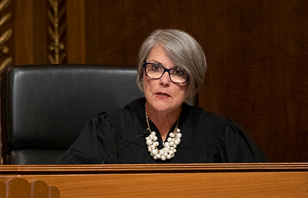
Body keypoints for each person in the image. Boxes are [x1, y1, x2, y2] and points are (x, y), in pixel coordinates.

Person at [59, 29, 266, 164]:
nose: (164, 81)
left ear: (191, 82)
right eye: (156, 68)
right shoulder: (108, 131)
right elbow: (64, 185)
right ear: (142, 73)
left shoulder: (220, 135)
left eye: (178, 72)